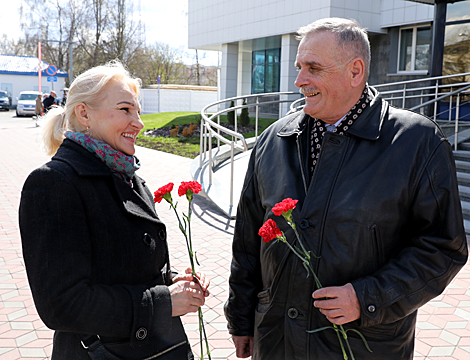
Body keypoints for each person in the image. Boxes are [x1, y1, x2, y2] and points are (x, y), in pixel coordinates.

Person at [224, 18, 468, 360]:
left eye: (313, 68)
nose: (299, 81)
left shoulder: (416, 142)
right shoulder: (273, 141)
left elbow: (444, 247)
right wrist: (241, 318)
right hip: (276, 340)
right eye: (299, 67)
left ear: (356, 71)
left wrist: (368, 297)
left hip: (361, 347)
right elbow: (248, 240)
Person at [19, 60, 209, 360]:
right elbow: (61, 305)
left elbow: (122, 265)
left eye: (138, 111)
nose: (139, 123)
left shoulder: (128, 176)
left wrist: (174, 281)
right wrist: (163, 302)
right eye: (125, 110)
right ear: (84, 114)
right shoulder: (53, 183)